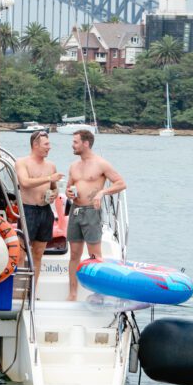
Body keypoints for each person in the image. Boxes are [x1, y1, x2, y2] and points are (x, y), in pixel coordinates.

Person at [66, 129, 126, 301]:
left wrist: (102, 192)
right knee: (74, 254)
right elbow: (69, 186)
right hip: (75, 211)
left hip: (92, 212)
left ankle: (98, 293)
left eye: (75, 141)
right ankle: (72, 293)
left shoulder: (101, 164)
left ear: (86, 143)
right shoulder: (73, 165)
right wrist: (69, 193)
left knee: (95, 255)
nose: (73, 145)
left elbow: (121, 183)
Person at [15, 130, 64, 291]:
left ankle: (31, 291)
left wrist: (53, 194)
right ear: (35, 145)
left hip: (45, 211)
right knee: (21, 253)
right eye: (46, 144)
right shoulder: (22, 162)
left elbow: (55, 189)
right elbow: (25, 183)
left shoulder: (51, 166)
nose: (49, 148)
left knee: (38, 253)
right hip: (28, 210)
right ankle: (19, 290)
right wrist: (50, 178)